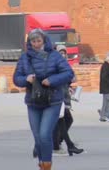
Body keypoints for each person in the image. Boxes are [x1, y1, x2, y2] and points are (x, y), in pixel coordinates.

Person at [13, 28, 75, 170]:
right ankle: (42, 164)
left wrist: (52, 80)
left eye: (38, 41)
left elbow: (68, 73)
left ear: (44, 40)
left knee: (44, 134)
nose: (36, 44)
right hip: (33, 100)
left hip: (52, 100)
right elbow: (16, 78)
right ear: (30, 42)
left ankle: (47, 166)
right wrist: (26, 79)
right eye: (33, 41)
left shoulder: (54, 55)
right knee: (37, 138)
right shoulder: (25, 57)